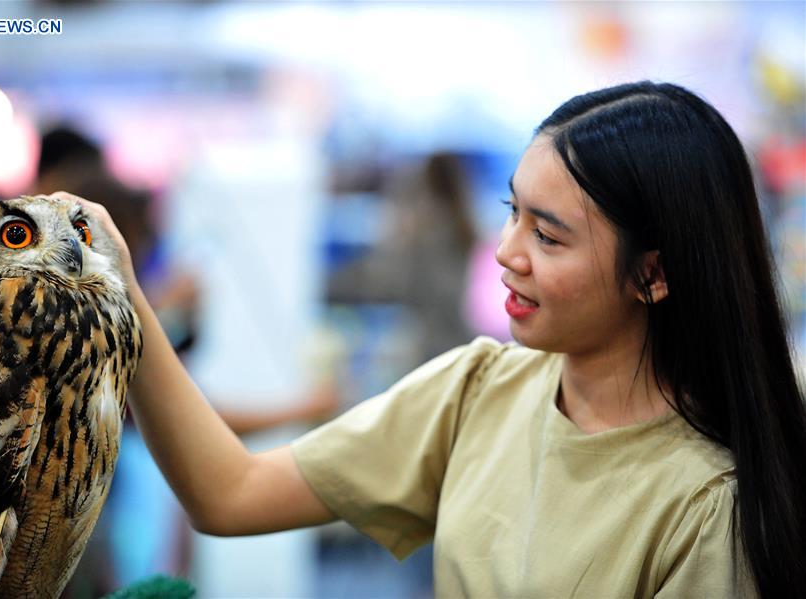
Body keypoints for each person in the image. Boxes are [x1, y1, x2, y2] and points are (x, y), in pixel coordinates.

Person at [63, 80, 806, 598]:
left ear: (653, 274)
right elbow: (229, 492)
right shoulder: (478, 388)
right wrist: (122, 297)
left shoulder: (712, 505)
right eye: (511, 211)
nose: (508, 250)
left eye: (548, 235)